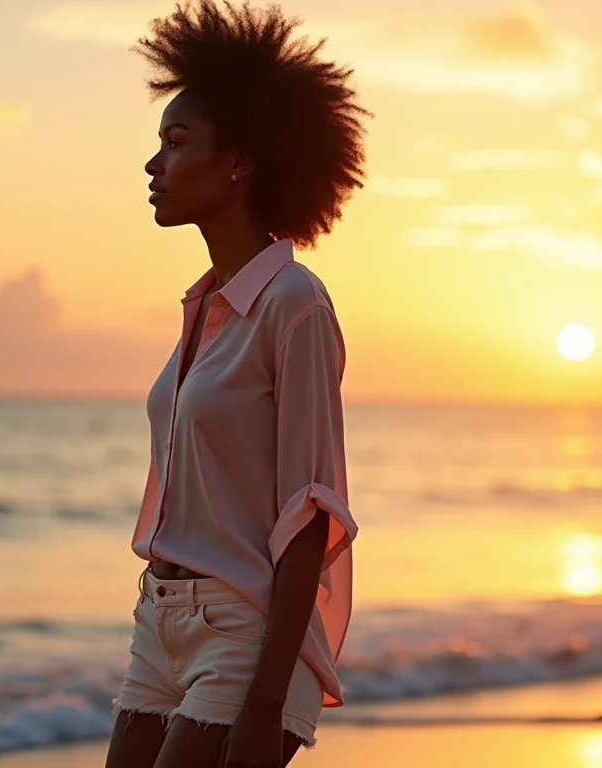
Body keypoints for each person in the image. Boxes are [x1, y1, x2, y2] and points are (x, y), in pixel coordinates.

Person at [104, 1, 369, 766]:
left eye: (176, 142)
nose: (154, 165)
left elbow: (309, 513)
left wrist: (264, 702)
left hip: (243, 630)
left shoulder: (294, 304)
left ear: (238, 163)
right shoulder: (204, 307)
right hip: (159, 622)